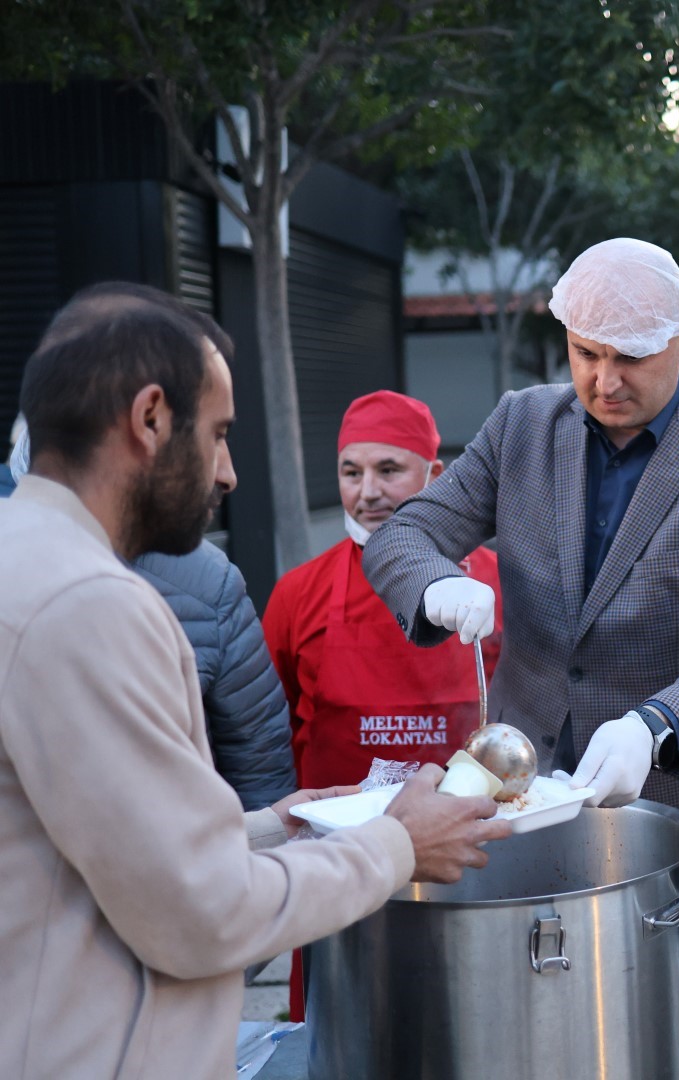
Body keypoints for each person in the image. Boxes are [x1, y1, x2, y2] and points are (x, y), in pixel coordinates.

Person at [0, 283, 508, 1080]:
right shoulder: (86, 602)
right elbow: (198, 912)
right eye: (219, 435)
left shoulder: (24, 557)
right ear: (150, 420)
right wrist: (396, 843)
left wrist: (271, 825)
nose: (230, 473)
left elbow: (110, 847)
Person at [362, 237, 679, 1079]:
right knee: (537, 1046)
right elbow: (409, 532)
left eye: (629, 358)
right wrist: (433, 586)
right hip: (528, 808)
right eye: (585, 354)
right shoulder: (524, 425)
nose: (603, 382)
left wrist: (658, 723)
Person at [9, 415, 298, 812]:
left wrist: (263, 848)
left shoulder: (211, 583)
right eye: (211, 435)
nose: (228, 474)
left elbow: (260, 769)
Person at [263, 390, 502, 791]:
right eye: (352, 473)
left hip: (469, 834)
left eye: (389, 470)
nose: (368, 492)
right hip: (333, 841)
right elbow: (267, 733)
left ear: (436, 477)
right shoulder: (297, 593)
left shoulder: (495, 583)